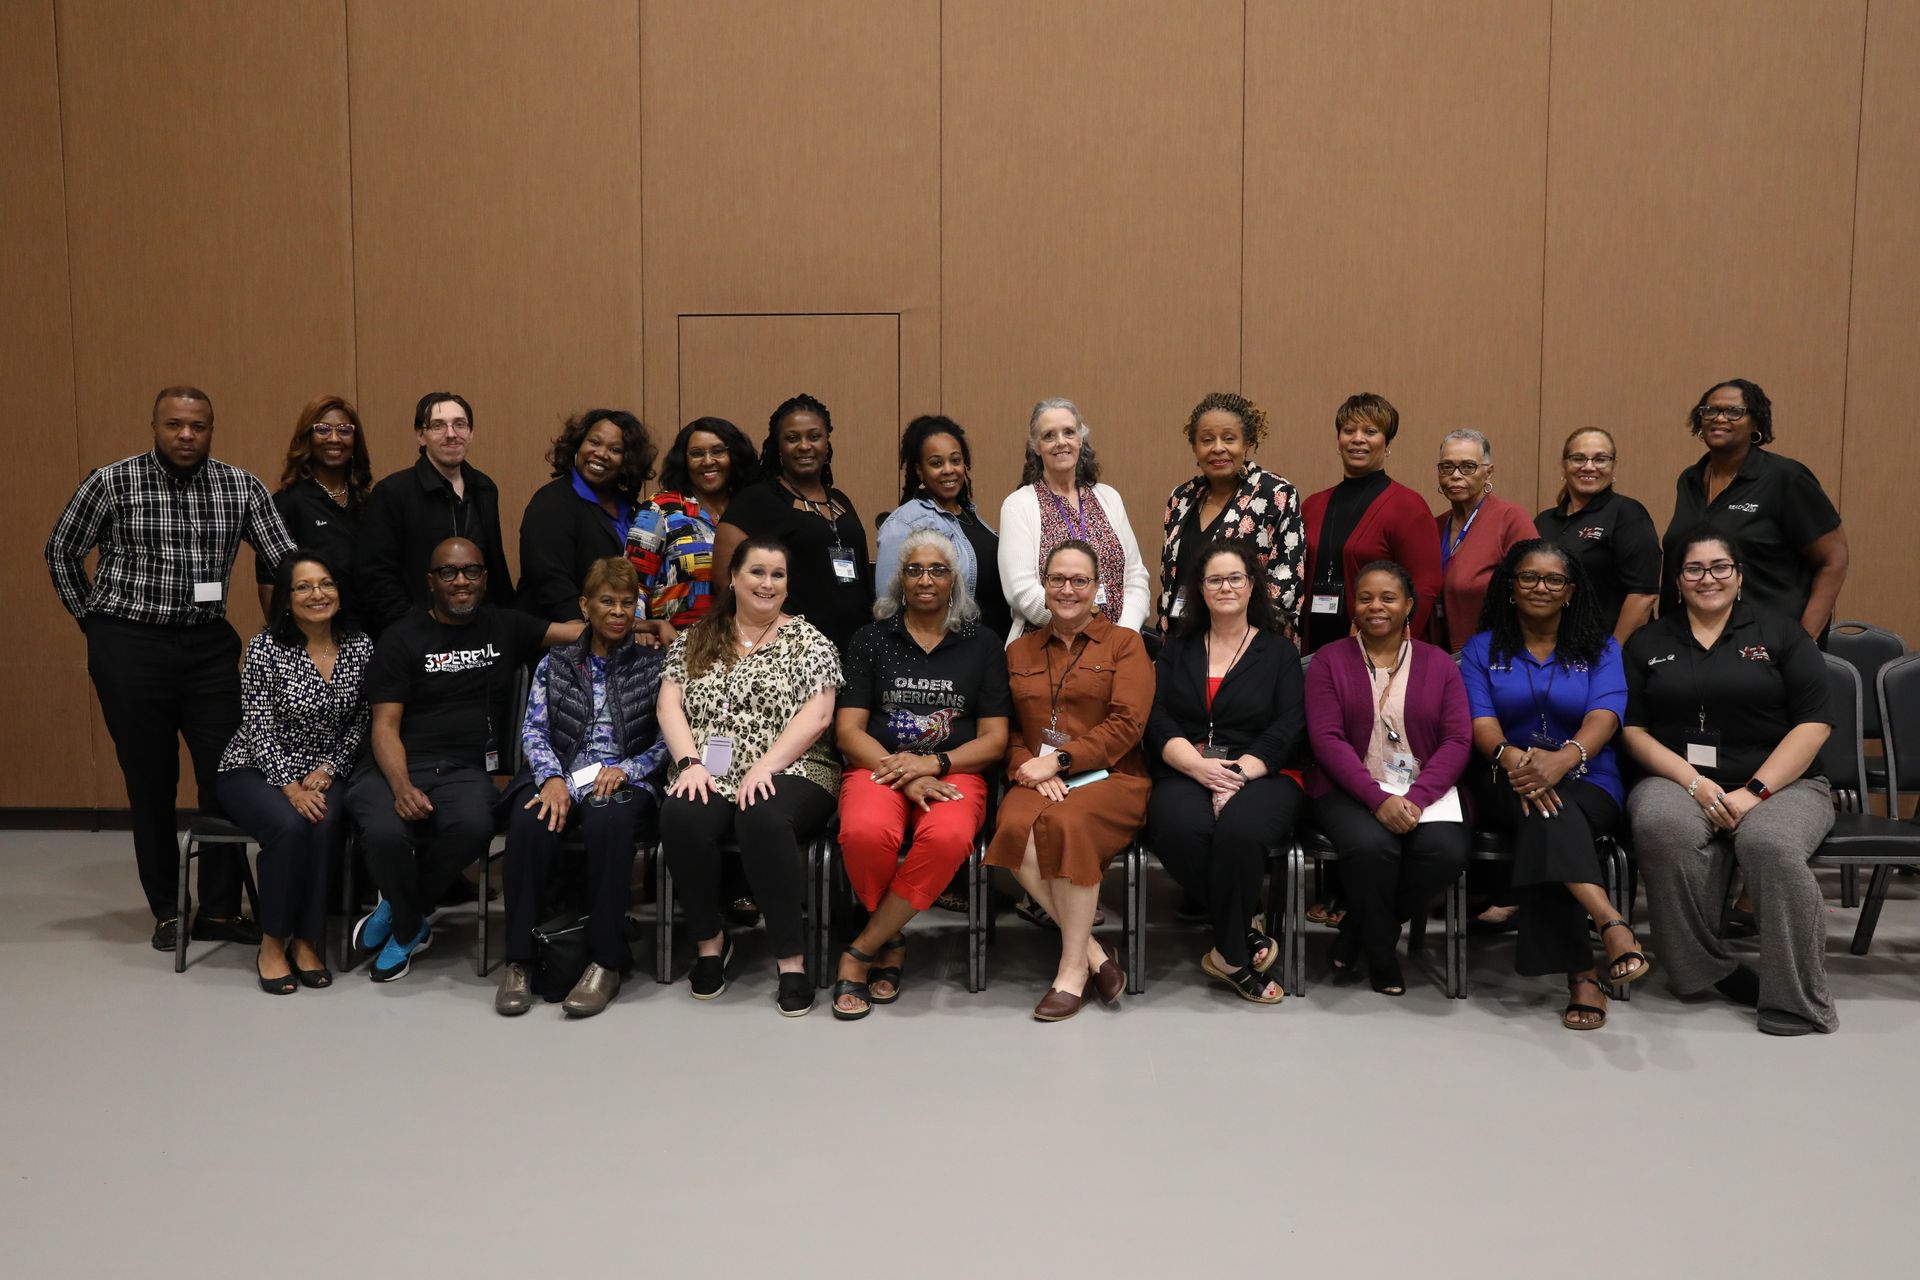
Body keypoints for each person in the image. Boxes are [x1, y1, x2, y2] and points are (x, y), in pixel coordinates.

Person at [45, 385, 296, 953]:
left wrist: (305, 614)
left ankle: (222, 911)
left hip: (208, 647)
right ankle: (167, 908)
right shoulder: (111, 482)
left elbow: (286, 560)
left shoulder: (241, 486)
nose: (187, 435)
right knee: (150, 781)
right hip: (130, 646)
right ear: (155, 426)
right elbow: (61, 550)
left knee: (228, 775)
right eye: (175, 425)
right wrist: (94, 622)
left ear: (212, 428)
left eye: (198, 426)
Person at [1621, 528, 1837, 1035]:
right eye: (1694, 569)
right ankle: (1704, 970)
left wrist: (1753, 792)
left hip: (1785, 784)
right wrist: (1693, 782)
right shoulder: (1649, 642)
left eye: (1721, 567)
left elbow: (1814, 723)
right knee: (1660, 825)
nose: (1708, 578)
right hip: (1678, 778)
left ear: (1739, 577)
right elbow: (1632, 728)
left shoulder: (1782, 634)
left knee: (1769, 843)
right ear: (1677, 580)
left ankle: (1796, 996)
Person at [347, 538, 583, 983]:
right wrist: (401, 787)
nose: (462, 582)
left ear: (485, 578)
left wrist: (647, 627)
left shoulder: (504, 625)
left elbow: (576, 631)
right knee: (383, 830)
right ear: (430, 581)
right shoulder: (401, 638)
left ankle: (404, 911)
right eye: (449, 573)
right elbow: (384, 728)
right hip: (395, 765)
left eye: (472, 572)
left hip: (464, 771)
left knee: (476, 826)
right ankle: (408, 923)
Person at [1459, 540, 1646, 1030]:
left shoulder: (1601, 647)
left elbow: (1606, 716)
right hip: (1505, 776)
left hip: (1589, 776)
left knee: (1546, 815)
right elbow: (1480, 723)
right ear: (1510, 586)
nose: (1540, 587)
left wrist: (1563, 759)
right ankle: (1607, 925)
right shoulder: (1482, 648)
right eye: (1528, 577)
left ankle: (1585, 971)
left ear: (1570, 591)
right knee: (1543, 810)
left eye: (1554, 580)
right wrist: (1518, 761)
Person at [656, 536, 843, 1016]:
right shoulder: (696, 638)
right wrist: (689, 762)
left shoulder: (808, 641)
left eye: (777, 575)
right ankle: (710, 942)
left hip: (795, 767)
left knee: (760, 816)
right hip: (710, 769)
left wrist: (767, 764)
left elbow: (819, 715)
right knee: (681, 815)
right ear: (734, 578)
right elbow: (669, 703)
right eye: (757, 572)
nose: (767, 583)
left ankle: (790, 959)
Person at [829, 530, 1011, 1019]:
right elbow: (849, 731)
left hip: (954, 768)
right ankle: (889, 939)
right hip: (879, 765)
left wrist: (933, 765)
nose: (926, 579)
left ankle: (866, 946)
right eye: (914, 570)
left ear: (956, 580)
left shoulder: (983, 644)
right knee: (865, 832)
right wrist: (905, 773)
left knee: (949, 837)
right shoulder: (871, 639)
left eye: (938, 570)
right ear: (899, 579)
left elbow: (994, 740)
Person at [494, 557, 667, 1018]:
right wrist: (552, 778)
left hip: (627, 779)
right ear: (585, 607)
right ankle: (520, 961)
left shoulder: (654, 666)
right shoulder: (556, 662)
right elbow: (533, 731)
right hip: (561, 772)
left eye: (627, 603)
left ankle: (605, 961)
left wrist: (628, 769)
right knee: (529, 820)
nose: (617, 612)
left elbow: (668, 741)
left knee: (609, 821)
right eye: (607, 602)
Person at [987, 542, 1153, 1021]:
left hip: (1113, 778)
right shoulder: (1018, 649)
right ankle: (1097, 954)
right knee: (1013, 829)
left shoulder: (1125, 644)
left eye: (1080, 580)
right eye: (1058, 579)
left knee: (1064, 825)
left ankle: (1071, 970)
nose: (1068, 589)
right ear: (1043, 583)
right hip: (1037, 776)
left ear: (1098, 587)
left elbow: (1127, 725)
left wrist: (1059, 761)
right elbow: (1012, 728)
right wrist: (1028, 767)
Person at [1145, 540, 1303, 1003]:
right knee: (1177, 829)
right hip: (1186, 767)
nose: (1226, 587)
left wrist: (1236, 774)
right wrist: (1198, 767)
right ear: (1200, 589)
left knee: (1241, 831)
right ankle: (1242, 935)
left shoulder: (1279, 652)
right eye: (1215, 579)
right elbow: (1156, 718)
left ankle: (1228, 955)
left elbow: (1289, 725)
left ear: (1252, 586)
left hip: (1264, 772)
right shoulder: (1176, 650)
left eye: (1236, 578)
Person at [1301, 561, 1470, 994]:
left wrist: (1417, 797)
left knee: (1445, 852)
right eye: (1365, 597)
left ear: (1409, 605)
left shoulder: (1439, 664)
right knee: (1371, 846)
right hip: (1348, 788)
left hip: (1422, 791)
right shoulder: (1329, 660)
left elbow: (1456, 740)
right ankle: (1381, 957)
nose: (1376, 606)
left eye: (1388, 598)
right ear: (1353, 606)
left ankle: (1359, 931)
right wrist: (1377, 798)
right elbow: (1327, 739)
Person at [215, 552, 371, 994]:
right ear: (285, 599)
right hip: (254, 768)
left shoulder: (360, 645)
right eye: (303, 587)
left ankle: (306, 940)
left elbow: (362, 720)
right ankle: (271, 942)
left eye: (326, 584)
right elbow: (258, 726)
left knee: (323, 825)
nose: (317, 594)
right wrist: (289, 788)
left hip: (324, 770)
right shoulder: (265, 647)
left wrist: (329, 768)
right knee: (288, 826)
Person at [1662, 379, 1848, 641]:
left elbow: (1834, 558)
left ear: (1756, 423)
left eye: (1734, 412)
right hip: (1690, 640)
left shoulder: (1786, 478)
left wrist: (1804, 640)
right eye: (1710, 410)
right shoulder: (1690, 479)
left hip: (1767, 645)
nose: (1719, 418)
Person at [712, 395, 870, 652]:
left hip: (853, 647)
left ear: (827, 442)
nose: (804, 446)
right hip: (789, 650)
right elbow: (725, 583)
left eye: (814, 436)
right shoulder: (755, 500)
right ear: (778, 446)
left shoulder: (840, 500)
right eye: (792, 438)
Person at [356, 391, 516, 635]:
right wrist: (413, 630)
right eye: (438, 426)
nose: (451, 434)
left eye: (460, 425)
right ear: (421, 435)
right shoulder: (393, 492)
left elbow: (494, 566)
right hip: (416, 637)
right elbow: (376, 577)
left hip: (479, 634)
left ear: (471, 433)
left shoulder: (485, 488)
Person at [997, 397, 1151, 640]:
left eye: (1069, 432)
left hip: (1115, 646)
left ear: (1081, 438)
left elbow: (1135, 577)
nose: (1061, 442)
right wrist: (1081, 629)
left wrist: (1123, 633)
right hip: (1048, 647)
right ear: (1036, 446)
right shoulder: (1018, 506)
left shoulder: (1109, 497)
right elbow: (1021, 592)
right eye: (1049, 435)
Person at [1300, 393, 1440, 655]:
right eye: (1349, 430)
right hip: (1313, 650)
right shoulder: (1312, 506)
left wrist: (1394, 643)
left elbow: (1425, 586)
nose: (1358, 439)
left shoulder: (1408, 507)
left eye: (1370, 431)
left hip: (1378, 650)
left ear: (1387, 443)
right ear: (1338, 440)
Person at [1157, 392, 1304, 637]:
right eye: (1206, 440)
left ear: (1246, 443)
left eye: (1229, 438)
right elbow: (1170, 577)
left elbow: (1286, 582)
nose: (1218, 448)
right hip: (1181, 641)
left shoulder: (1275, 494)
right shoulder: (1181, 498)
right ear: (1194, 446)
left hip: (1249, 645)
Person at [875, 414, 1012, 641]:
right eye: (936, 463)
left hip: (990, 649)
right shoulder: (903, 524)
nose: (949, 470)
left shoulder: (971, 515)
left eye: (955, 460)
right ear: (919, 471)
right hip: (946, 654)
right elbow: (888, 610)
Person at [627, 416, 760, 647]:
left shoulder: (751, 509)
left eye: (718, 451)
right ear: (684, 461)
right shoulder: (661, 509)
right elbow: (631, 583)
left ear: (734, 457)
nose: (708, 461)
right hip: (677, 649)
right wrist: (639, 630)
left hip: (745, 651)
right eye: (697, 454)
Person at [518, 409, 658, 623]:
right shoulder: (552, 502)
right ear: (577, 446)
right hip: (565, 638)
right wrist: (583, 632)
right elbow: (549, 579)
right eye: (594, 442)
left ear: (627, 461)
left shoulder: (633, 509)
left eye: (614, 449)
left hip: (620, 634)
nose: (601, 453)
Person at [1533, 427, 1660, 645]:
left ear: (1613, 466)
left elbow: (1643, 595)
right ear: (1564, 465)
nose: (1589, 467)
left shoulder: (1627, 513)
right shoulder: (1544, 522)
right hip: (1556, 649)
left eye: (1600, 459)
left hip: (1610, 651)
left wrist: (1612, 656)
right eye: (1578, 458)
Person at [253, 395, 374, 615]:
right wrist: (290, 643)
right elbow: (270, 585)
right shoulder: (287, 503)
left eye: (345, 430)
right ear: (307, 437)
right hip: (314, 636)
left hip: (370, 635)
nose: (335, 438)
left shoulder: (368, 502)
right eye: (323, 429)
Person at [1431, 429, 1537, 654]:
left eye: (1468, 466)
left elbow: (1535, 591)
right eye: (1447, 467)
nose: (1456, 475)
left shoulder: (1510, 518)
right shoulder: (1434, 526)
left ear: (1488, 473)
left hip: (1496, 654)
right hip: (1439, 655)